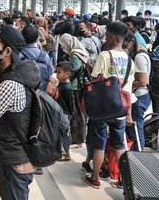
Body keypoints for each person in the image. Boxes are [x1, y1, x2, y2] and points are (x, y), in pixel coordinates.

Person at [0, 25, 39, 200]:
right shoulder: (23, 72)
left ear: (7, 51)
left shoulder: (10, 85)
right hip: (19, 155)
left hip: (15, 161)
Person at [84, 22, 135, 189]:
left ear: (112, 36)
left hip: (103, 108)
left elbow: (95, 79)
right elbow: (128, 89)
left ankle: (96, 178)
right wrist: (128, 113)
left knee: (100, 143)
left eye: (106, 35)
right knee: (119, 144)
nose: (105, 38)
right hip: (121, 108)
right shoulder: (129, 60)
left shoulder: (105, 56)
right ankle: (120, 179)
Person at [58, 34, 89, 149]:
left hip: (75, 88)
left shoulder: (75, 56)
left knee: (76, 113)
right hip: (77, 87)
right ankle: (77, 139)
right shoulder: (79, 53)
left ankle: (78, 140)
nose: (62, 48)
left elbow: (72, 71)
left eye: (63, 45)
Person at [123, 32, 150, 151]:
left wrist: (128, 85)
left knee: (136, 129)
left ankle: (138, 156)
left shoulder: (139, 57)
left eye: (125, 46)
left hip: (139, 96)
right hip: (138, 95)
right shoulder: (139, 53)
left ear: (132, 42)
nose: (124, 49)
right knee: (134, 129)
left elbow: (142, 81)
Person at [46, 61, 75, 160]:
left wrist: (71, 114)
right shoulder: (61, 85)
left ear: (67, 74)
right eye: (57, 72)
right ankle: (65, 153)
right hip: (59, 113)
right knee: (61, 134)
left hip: (65, 114)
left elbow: (70, 103)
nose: (57, 74)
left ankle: (65, 154)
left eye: (59, 72)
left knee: (64, 135)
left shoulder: (67, 87)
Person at [20, 25, 54, 91]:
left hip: (23, 91)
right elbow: (50, 72)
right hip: (39, 92)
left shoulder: (17, 54)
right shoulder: (44, 56)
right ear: (36, 40)